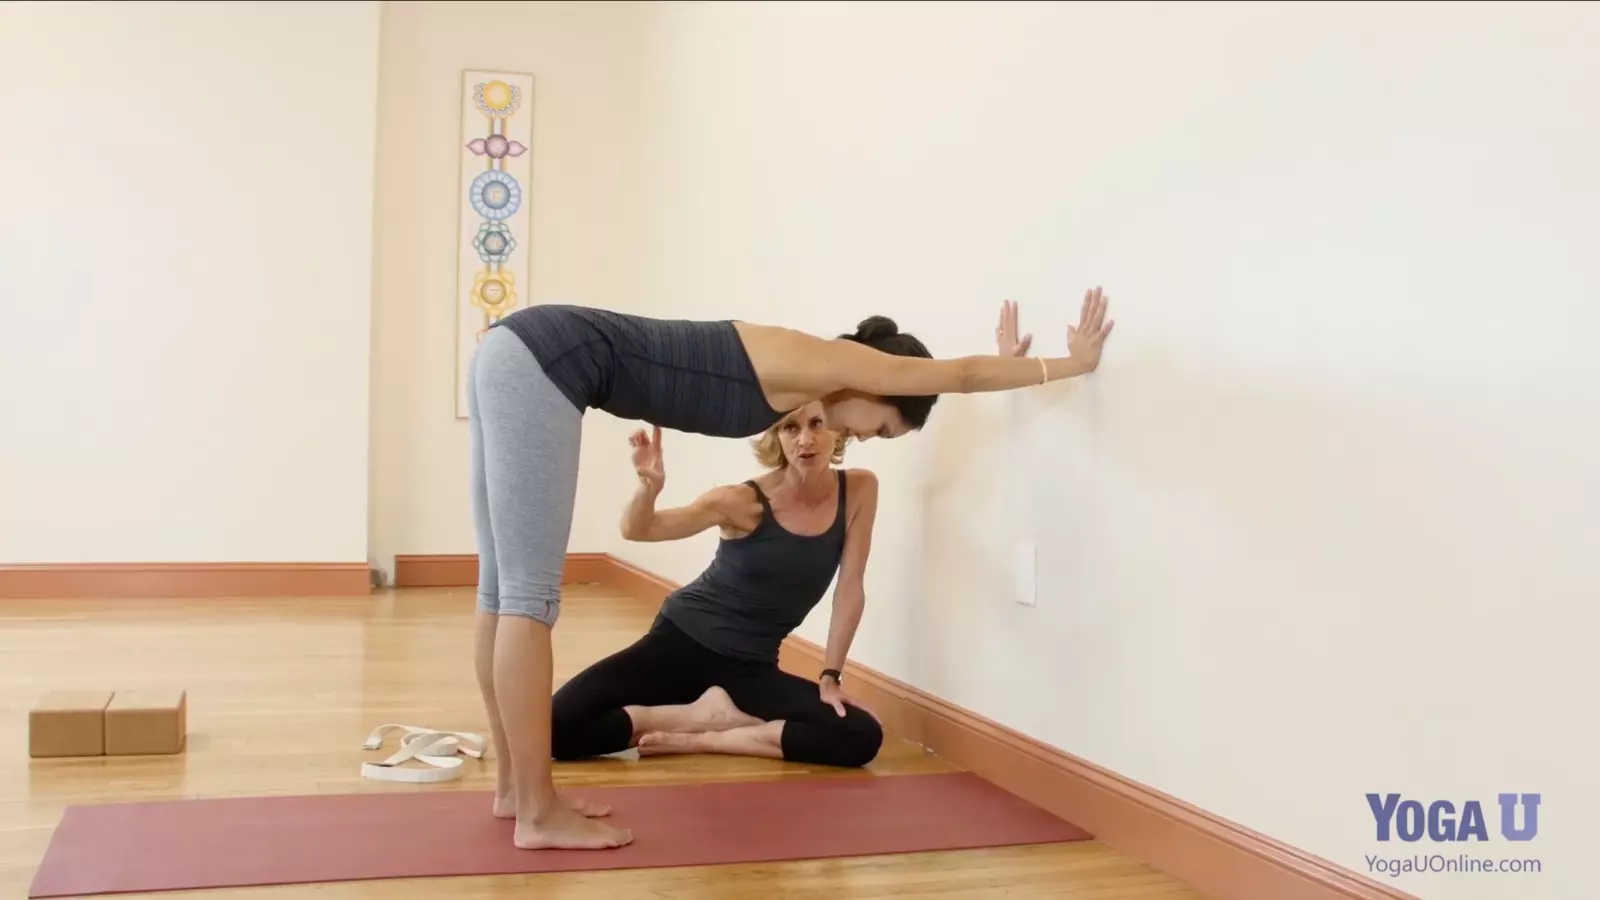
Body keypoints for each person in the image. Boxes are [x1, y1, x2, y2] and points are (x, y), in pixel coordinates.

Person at [468, 290, 1112, 850]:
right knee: (527, 596)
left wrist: (1008, 365)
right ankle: (537, 809)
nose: (864, 440)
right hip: (546, 358)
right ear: (883, 384)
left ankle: (514, 791)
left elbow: (959, 379)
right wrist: (1064, 365)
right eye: (882, 429)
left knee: (500, 592)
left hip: (512, 352)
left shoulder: (813, 381)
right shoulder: (833, 363)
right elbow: (964, 375)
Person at [550, 401, 883, 770]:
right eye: (790, 427)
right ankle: (674, 718)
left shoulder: (859, 489)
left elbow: (850, 587)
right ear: (776, 436)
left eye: (817, 424)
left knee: (862, 736)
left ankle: (713, 732)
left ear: (837, 429)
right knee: (554, 728)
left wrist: (830, 677)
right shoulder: (740, 501)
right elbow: (639, 529)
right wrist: (648, 488)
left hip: (751, 668)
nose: (805, 439)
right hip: (680, 641)